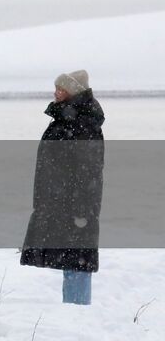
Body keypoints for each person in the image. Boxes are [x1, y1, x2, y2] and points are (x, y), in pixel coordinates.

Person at [20, 69, 105, 305]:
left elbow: (89, 172)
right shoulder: (68, 119)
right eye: (56, 88)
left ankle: (78, 313)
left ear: (73, 92)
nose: (56, 92)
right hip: (61, 202)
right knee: (71, 259)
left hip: (75, 206)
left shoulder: (83, 124)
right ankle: (74, 311)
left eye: (61, 89)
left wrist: (81, 211)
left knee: (77, 260)